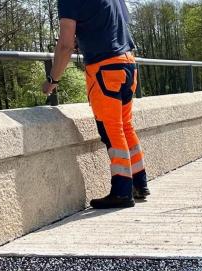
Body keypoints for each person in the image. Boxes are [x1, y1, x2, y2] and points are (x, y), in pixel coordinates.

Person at [41, 0, 149, 209]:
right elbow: (112, 24)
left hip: (104, 68)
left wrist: (52, 80)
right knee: (125, 126)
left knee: (111, 130)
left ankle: (122, 191)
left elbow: (65, 45)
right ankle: (139, 183)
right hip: (127, 63)